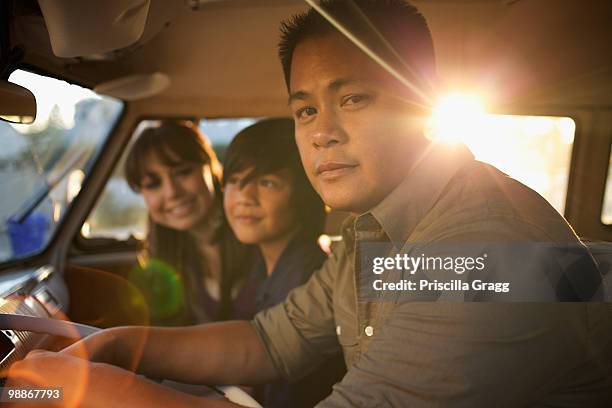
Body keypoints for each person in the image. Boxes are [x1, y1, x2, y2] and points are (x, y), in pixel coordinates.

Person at [6, 1, 612, 407]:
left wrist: (81, 388)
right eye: (304, 110)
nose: (322, 132)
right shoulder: (371, 235)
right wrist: (115, 344)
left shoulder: (484, 250)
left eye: (353, 100)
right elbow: (271, 341)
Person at [223, 118, 345, 407]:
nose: (244, 196)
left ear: (304, 192)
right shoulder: (261, 262)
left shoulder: (308, 276)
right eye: (235, 181)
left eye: (267, 182)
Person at [124, 121, 255, 325]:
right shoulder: (168, 252)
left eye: (183, 172)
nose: (172, 192)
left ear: (211, 168)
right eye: (153, 184)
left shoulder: (256, 231)